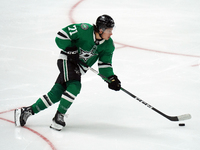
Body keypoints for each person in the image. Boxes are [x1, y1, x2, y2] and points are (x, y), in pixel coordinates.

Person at [14, 14, 121, 131]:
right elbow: (61, 36)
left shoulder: (108, 45)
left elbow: (104, 65)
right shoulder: (84, 29)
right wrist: (70, 49)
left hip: (78, 68)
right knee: (75, 86)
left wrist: (111, 78)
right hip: (67, 60)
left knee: (56, 93)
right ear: (101, 30)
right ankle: (58, 117)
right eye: (109, 30)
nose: (111, 34)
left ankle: (26, 111)